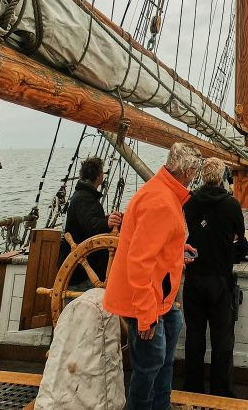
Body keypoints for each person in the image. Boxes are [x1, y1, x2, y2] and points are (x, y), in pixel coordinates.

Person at [103, 142, 201, 410]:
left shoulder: (163, 193)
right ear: (188, 171)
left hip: (162, 300)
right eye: (194, 172)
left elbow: (151, 244)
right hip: (146, 303)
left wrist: (177, 248)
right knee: (148, 369)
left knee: (163, 363)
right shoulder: (160, 201)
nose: (195, 177)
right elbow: (139, 261)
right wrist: (146, 315)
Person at [182, 157, 245, 397]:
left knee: (195, 337)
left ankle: (193, 388)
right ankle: (221, 392)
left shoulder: (190, 202)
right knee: (222, 340)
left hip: (195, 278)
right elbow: (240, 235)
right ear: (221, 178)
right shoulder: (231, 204)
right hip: (220, 280)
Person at [57, 156, 122, 292]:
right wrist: (107, 222)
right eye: (102, 172)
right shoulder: (84, 198)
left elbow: (85, 221)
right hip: (81, 274)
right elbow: (90, 225)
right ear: (99, 175)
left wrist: (104, 219)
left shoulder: (81, 196)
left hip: (79, 270)